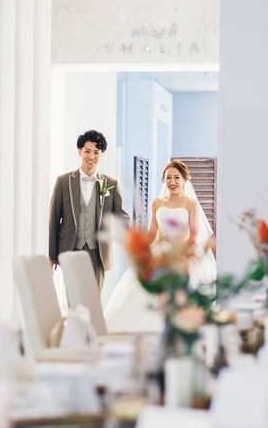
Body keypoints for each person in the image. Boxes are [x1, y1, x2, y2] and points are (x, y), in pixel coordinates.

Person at [104, 159, 216, 332]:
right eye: (168, 177)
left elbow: (193, 236)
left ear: (184, 180)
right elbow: (152, 234)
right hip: (160, 255)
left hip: (183, 256)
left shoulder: (191, 204)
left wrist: (179, 254)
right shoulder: (157, 203)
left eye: (176, 177)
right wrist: (142, 246)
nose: (172, 181)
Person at [48, 130, 129, 290]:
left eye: (96, 152)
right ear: (80, 151)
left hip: (98, 252)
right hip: (70, 248)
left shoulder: (111, 184)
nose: (92, 156)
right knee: (73, 297)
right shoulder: (63, 182)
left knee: (93, 299)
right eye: (87, 151)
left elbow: (122, 217)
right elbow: (53, 220)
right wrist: (52, 254)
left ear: (102, 154)